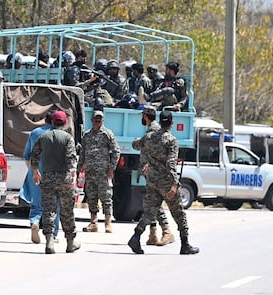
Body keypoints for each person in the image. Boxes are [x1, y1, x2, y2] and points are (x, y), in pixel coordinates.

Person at [128, 111, 199, 255]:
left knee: (149, 211)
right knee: (178, 213)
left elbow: (136, 145)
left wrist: (136, 141)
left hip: (152, 181)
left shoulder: (149, 137)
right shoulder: (171, 140)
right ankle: (185, 244)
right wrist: (175, 184)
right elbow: (171, 163)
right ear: (171, 123)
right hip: (166, 182)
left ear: (160, 122)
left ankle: (136, 237)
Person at [30, 110, 80, 255]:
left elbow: (34, 154)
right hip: (65, 178)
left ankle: (49, 241)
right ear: (64, 123)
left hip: (48, 178)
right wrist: (73, 175)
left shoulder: (43, 137)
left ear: (52, 122)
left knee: (49, 210)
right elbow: (71, 157)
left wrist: (35, 171)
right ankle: (70, 242)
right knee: (67, 211)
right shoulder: (67, 138)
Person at [132, 105, 175, 246]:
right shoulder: (152, 128)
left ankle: (166, 231)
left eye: (142, 115)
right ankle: (153, 234)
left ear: (145, 116)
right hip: (151, 171)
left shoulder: (154, 130)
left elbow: (152, 150)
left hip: (155, 172)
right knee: (152, 201)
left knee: (154, 202)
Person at [21, 110, 60, 244]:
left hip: (36, 172)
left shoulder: (35, 133)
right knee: (54, 205)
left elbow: (27, 155)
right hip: (54, 174)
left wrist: (33, 171)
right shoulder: (60, 135)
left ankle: (35, 222)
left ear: (45, 120)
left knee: (36, 204)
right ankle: (53, 235)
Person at [78, 110, 120, 233]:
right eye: (96, 119)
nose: (98, 121)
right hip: (90, 172)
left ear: (103, 120)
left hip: (103, 172)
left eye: (100, 119)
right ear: (92, 120)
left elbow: (116, 151)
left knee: (106, 197)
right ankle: (93, 223)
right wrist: (78, 168)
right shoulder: (86, 136)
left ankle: (108, 223)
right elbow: (82, 153)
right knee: (91, 197)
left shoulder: (107, 134)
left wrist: (112, 168)